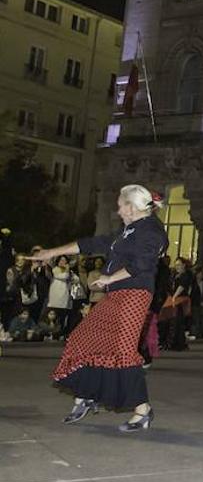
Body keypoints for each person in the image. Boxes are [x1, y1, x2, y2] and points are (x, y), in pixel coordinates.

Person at [26, 184, 168, 431]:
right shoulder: (127, 230)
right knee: (82, 339)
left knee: (123, 351)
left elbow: (143, 264)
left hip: (134, 295)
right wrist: (51, 252)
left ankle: (142, 411)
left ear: (132, 207)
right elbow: (90, 243)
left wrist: (109, 279)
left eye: (121, 205)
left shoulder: (152, 231)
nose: (118, 209)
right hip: (116, 295)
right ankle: (88, 395)